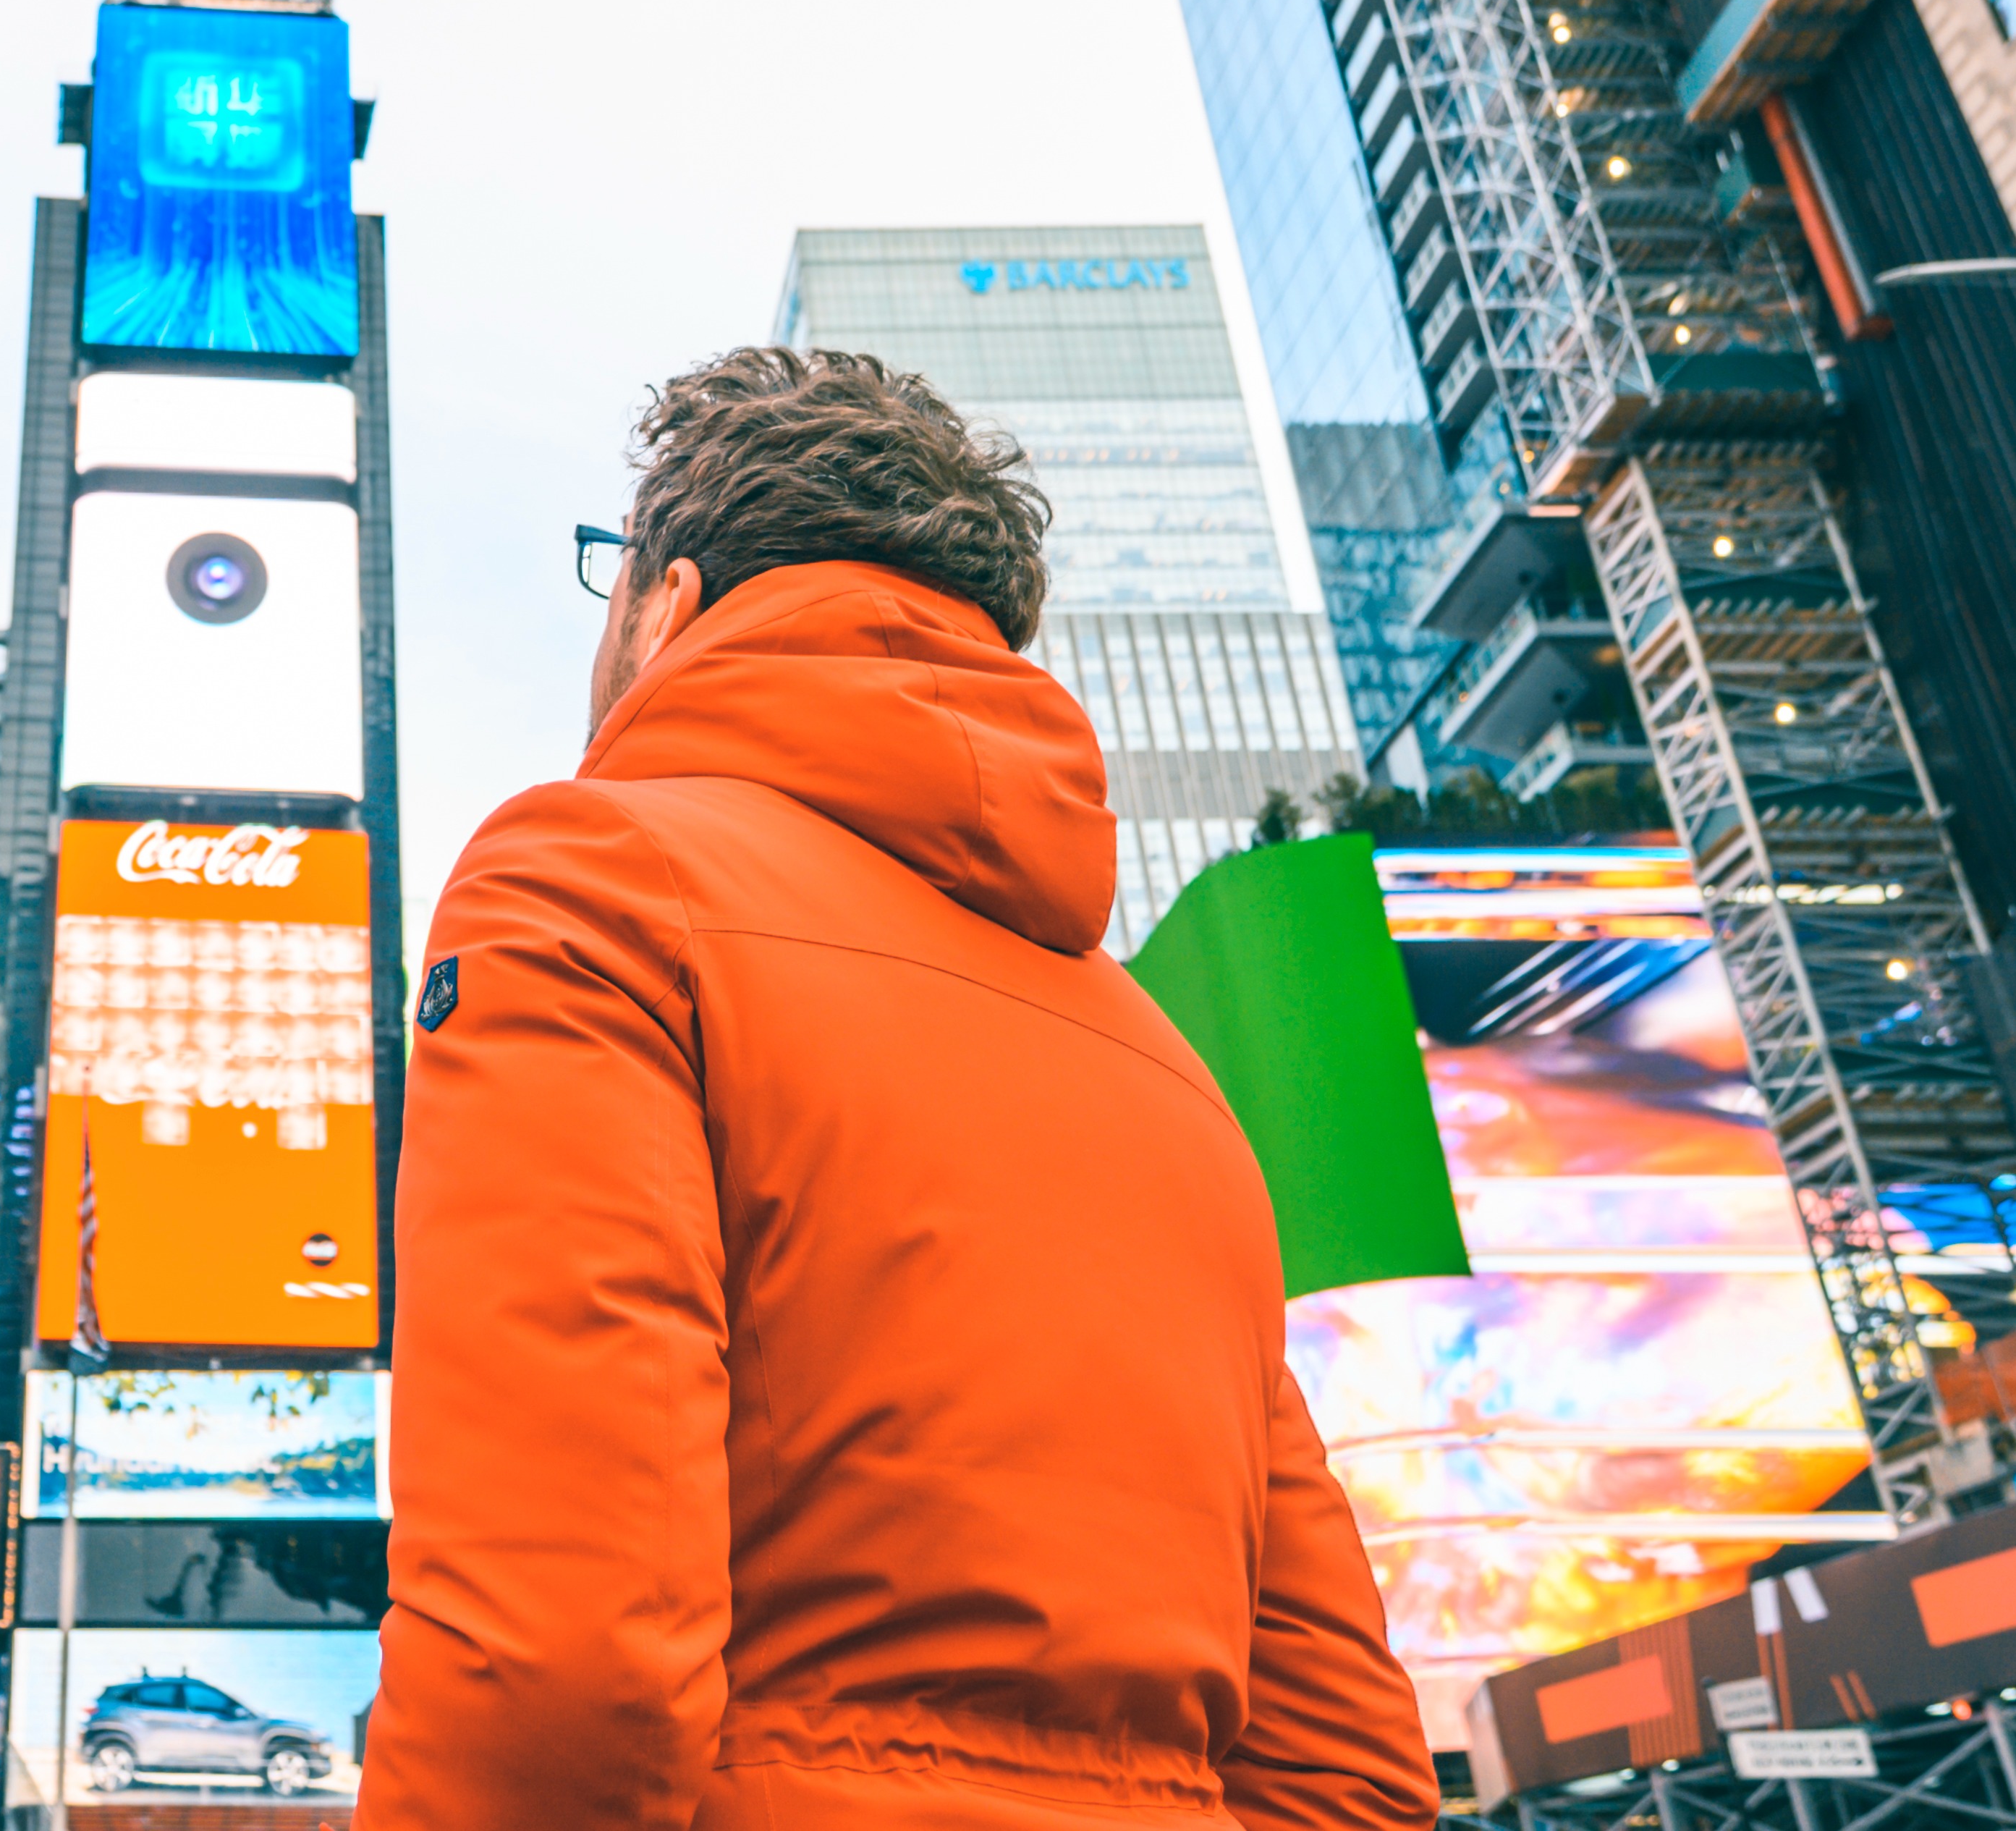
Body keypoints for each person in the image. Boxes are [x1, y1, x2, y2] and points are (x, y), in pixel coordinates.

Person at [365, 350, 1431, 1831]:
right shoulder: (1174, 1072)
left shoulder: (590, 880)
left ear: (664, 603)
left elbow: (560, 1656)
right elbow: (1352, 1761)